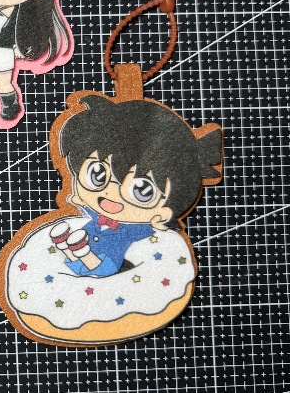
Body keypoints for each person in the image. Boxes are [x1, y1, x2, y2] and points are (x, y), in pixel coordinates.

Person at [51, 95, 223, 277]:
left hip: (108, 264)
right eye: (97, 175)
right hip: (80, 260)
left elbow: (148, 232)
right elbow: (89, 209)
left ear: (163, 212)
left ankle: (80, 251)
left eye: (142, 190)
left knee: (99, 264)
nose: (111, 192)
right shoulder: (97, 214)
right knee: (72, 262)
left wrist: (160, 222)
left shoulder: (137, 228)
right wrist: (79, 198)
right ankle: (68, 247)